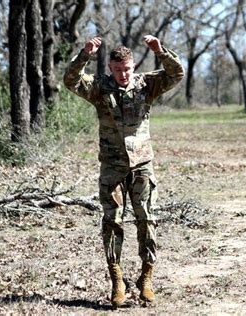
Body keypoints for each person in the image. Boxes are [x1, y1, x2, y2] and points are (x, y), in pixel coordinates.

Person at [63, 35, 184, 307]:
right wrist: (84, 55)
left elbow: (177, 73)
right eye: (117, 70)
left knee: (147, 219)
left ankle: (146, 278)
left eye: (127, 69)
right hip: (112, 167)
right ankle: (117, 280)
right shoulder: (99, 87)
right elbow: (70, 81)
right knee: (112, 221)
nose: (123, 74)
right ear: (110, 68)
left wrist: (160, 51)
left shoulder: (146, 84)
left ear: (133, 65)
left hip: (142, 165)